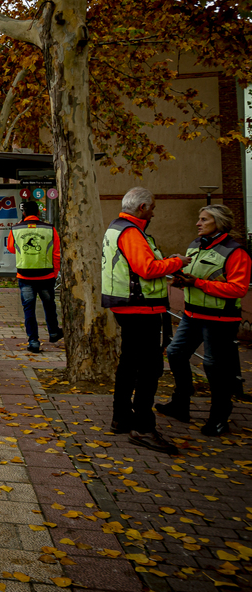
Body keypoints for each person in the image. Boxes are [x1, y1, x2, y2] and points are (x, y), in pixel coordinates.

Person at [101, 187, 186, 454]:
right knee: (148, 369)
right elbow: (147, 269)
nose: (154, 213)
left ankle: (121, 417)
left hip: (125, 306)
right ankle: (143, 427)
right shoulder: (132, 232)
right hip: (141, 308)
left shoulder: (116, 228)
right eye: (152, 208)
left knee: (128, 363)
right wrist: (176, 262)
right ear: (142, 208)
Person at [157, 205, 249, 437]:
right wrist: (181, 281)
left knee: (213, 366)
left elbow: (237, 289)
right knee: (176, 353)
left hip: (220, 318)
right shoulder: (196, 245)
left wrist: (196, 283)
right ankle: (180, 404)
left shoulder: (235, 252)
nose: (198, 223)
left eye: (204, 219)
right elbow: (197, 276)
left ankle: (219, 417)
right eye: (199, 219)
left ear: (218, 223)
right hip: (192, 314)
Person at [7, 200, 63, 353]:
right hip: (46, 275)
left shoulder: (16, 229)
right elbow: (56, 253)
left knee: (29, 310)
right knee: (49, 305)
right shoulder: (50, 229)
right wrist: (55, 272)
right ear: (38, 213)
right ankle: (53, 331)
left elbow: (11, 248)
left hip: (25, 275)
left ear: (24, 213)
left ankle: (33, 341)